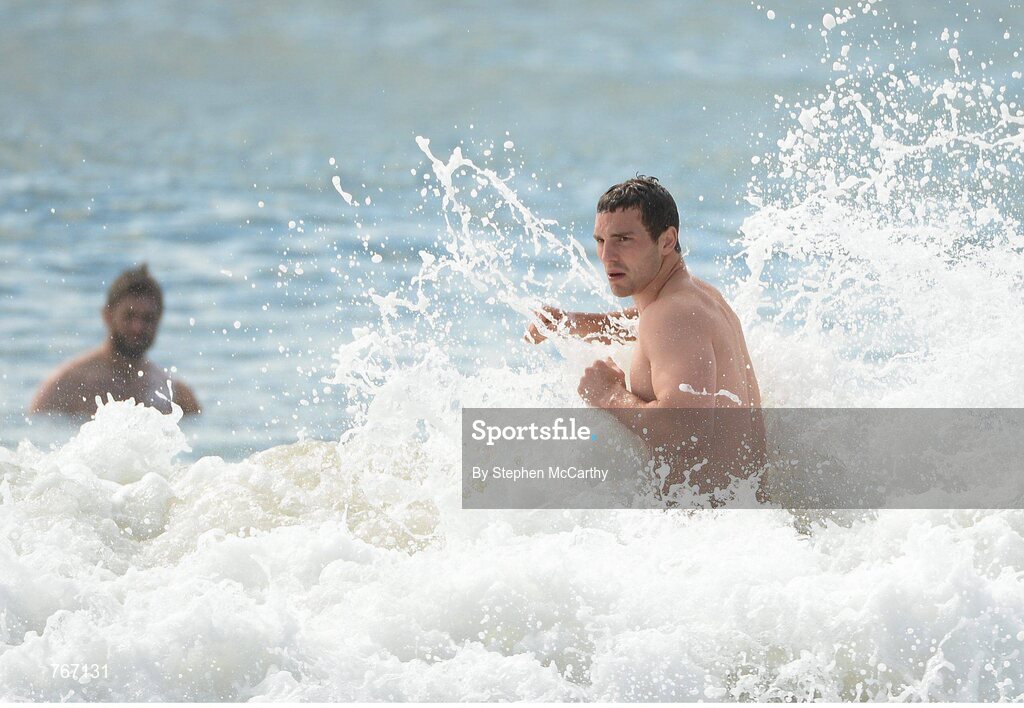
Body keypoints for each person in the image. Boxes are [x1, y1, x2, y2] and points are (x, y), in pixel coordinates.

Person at [525, 176, 764, 498]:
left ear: (666, 241)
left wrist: (607, 394)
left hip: (701, 527)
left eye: (623, 239)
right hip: (738, 514)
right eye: (600, 240)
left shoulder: (672, 316)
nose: (607, 255)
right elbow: (643, 324)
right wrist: (569, 322)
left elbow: (683, 428)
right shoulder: (698, 296)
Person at [30, 265, 201, 417]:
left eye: (147, 319)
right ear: (107, 316)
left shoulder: (176, 395)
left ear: (159, 321)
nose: (137, 327)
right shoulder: (66, 386)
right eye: (129, 316)